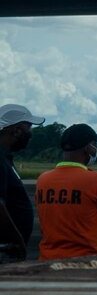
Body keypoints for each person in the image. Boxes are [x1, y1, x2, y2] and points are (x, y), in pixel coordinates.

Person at [35, 123, 97, 261]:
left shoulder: (43, 179)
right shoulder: (96, 179)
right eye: (95, 144)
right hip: (85, 261)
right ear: (89, 147)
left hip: (47, 260)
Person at [0, 103, 42, 262]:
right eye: (28, 128)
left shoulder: (5, 159)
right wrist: (16, 240)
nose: (30, 134)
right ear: (15, 130)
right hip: (6, 248)